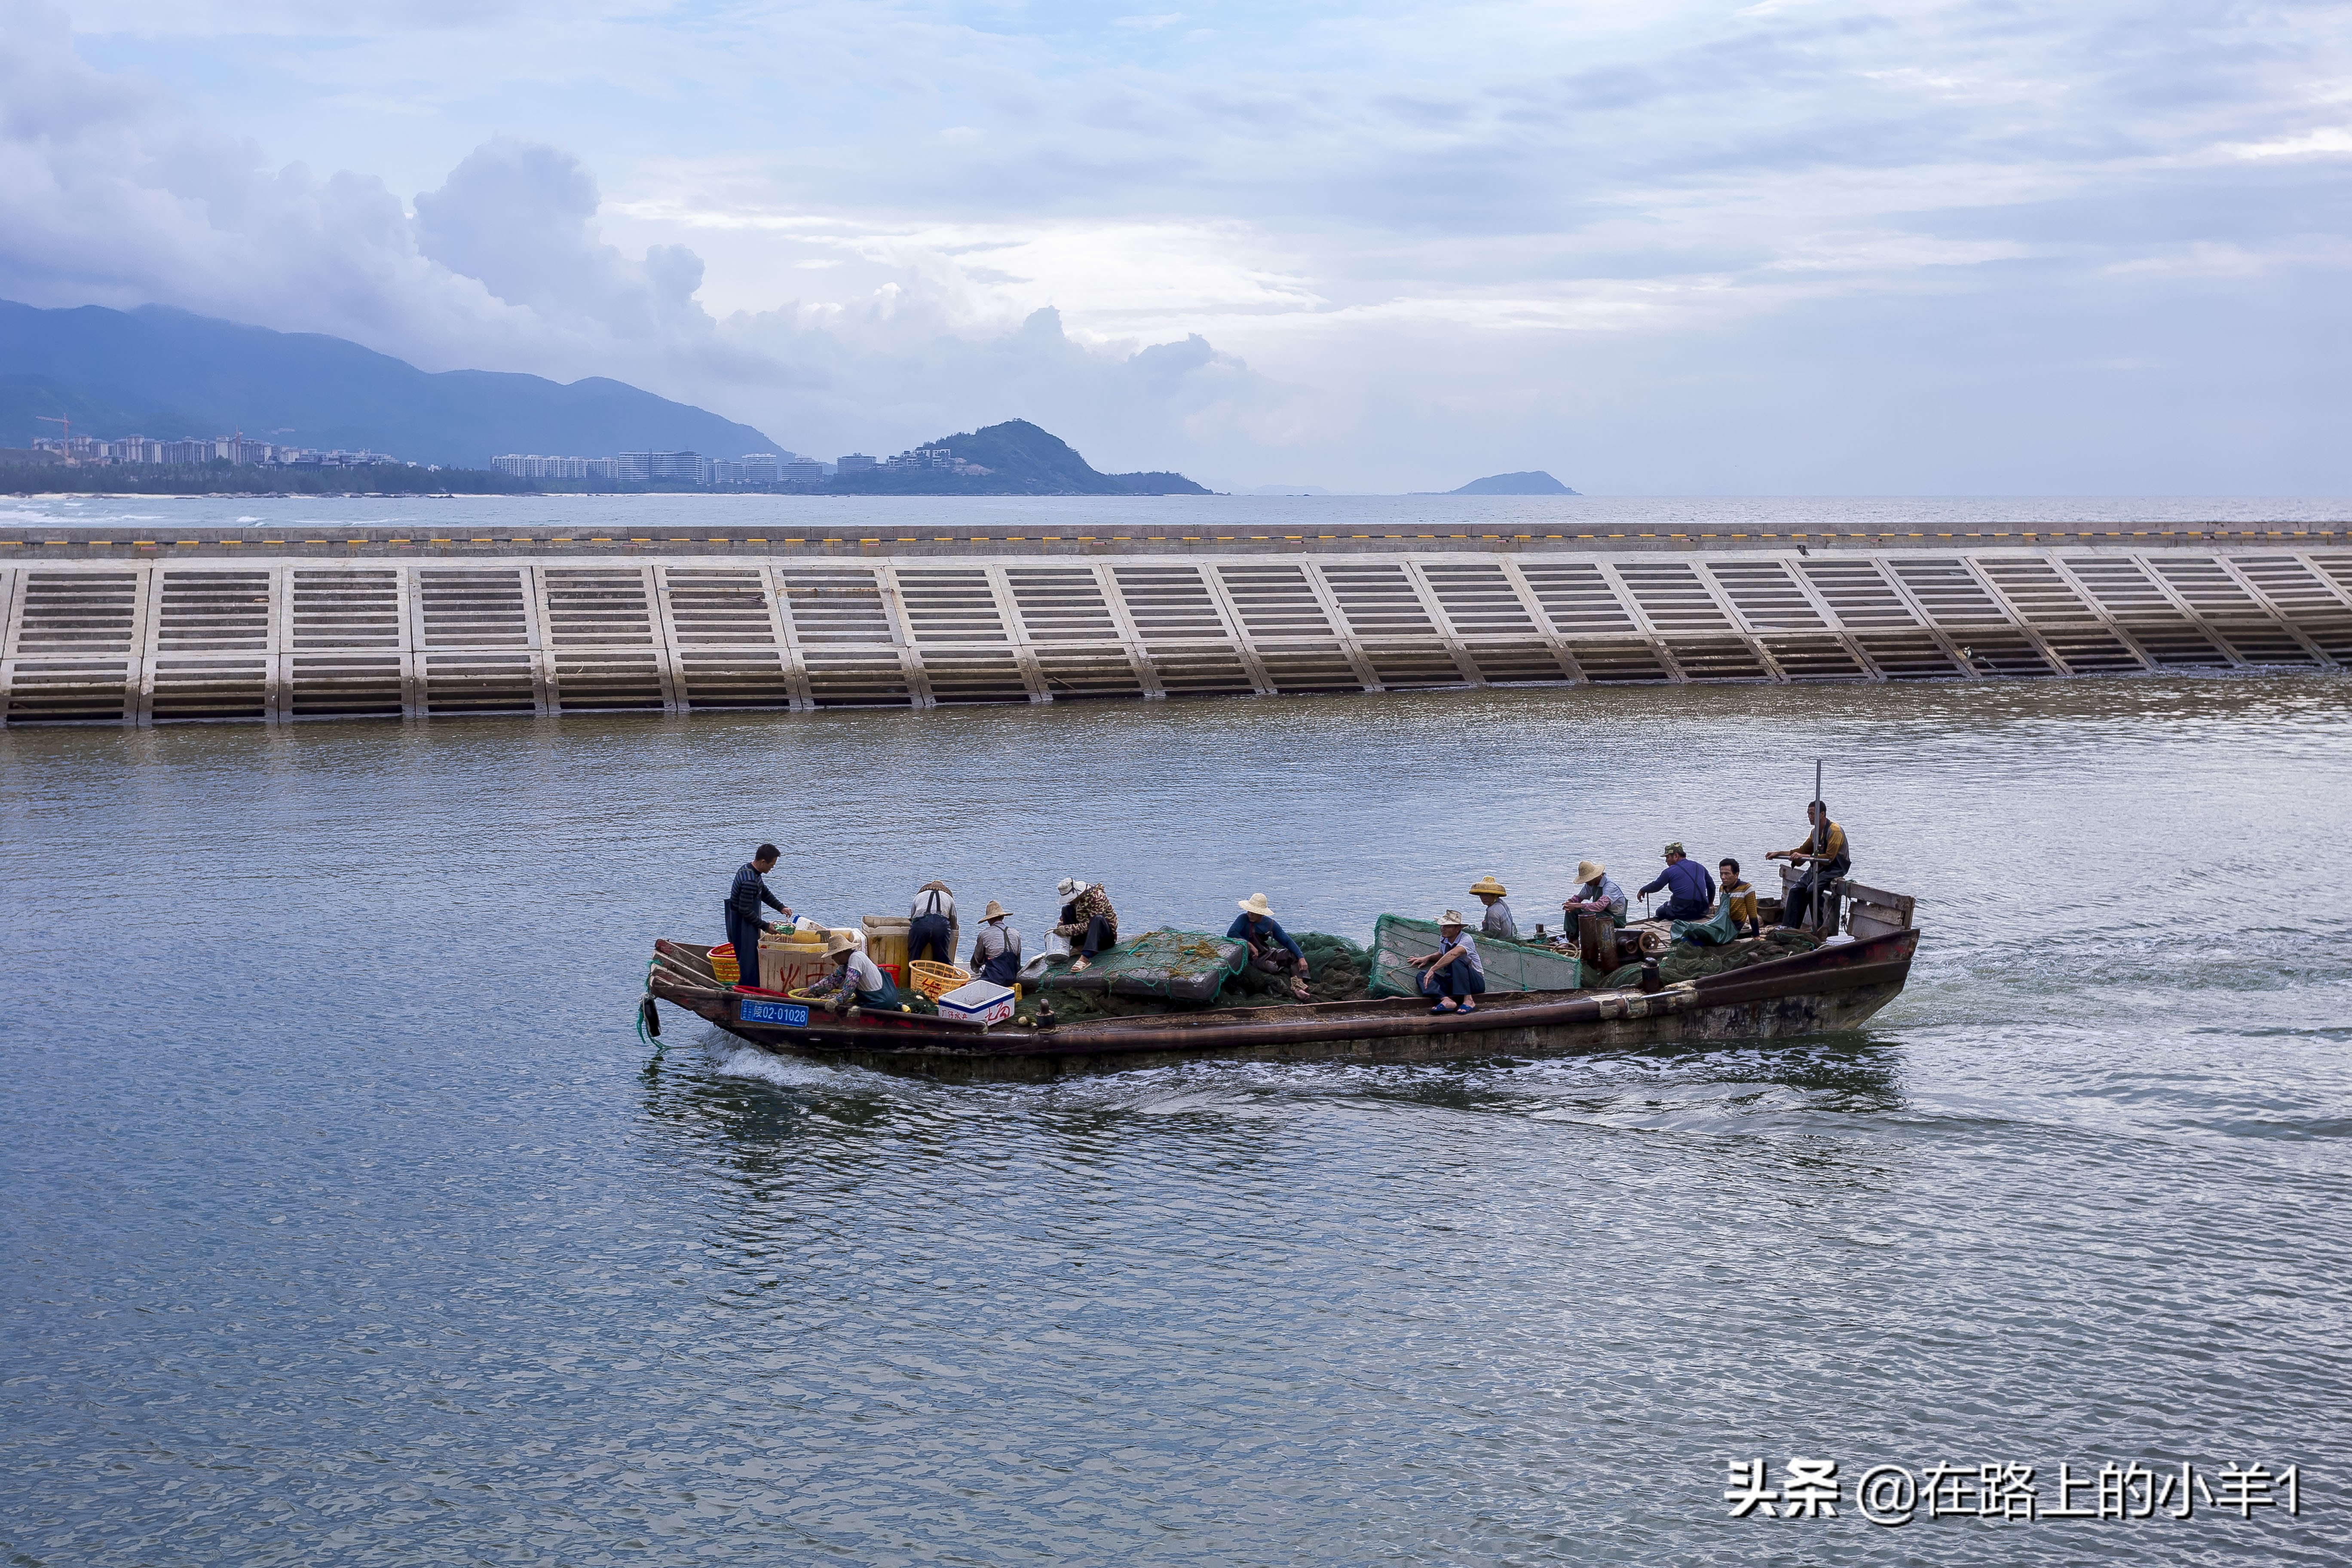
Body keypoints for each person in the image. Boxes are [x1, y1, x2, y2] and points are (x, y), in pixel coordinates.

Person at [1768, 801, 1852, 929]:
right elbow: (1802, 851)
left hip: (1834, 868)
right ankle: (1790, 928)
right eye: (1808, 814)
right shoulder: (1814, 833)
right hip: (1817, 866)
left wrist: (1807, 857)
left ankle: (1818, 927)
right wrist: (1779, 853)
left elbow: (1829, 858)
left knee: (1812, 890)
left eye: (1813, 814)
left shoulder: (1835, 831)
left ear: (1822, 814)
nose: (1810, 817)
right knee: (1796, 890)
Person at [724, 843, 793, 990]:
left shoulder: (749, 870)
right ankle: (747, 990)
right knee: (748, 961)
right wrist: (766, 926)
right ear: (763, 862)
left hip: (748, 920)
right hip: (742, 923)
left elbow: (764, 892)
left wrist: (781, 907)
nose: (772, 868)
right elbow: (745, 911)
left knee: (751, 958)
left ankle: (749, 986)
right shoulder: (749, 882)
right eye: (771, 865)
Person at [1228, 893, 1311, 1001]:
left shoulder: (1270, 924)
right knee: (1271, 967)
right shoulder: (1243, 919)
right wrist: (1249, 945)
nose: (1250, 913)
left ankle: (1298, 987)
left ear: (1261, 914)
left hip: (1267, 953)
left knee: (1293, 956)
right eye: (1249, 910)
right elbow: (1231, 933)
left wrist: (1301, 957)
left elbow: (1286, 941)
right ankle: (1283, 969)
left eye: (1253, 912)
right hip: (1252, 958)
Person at [1410, 909, 1486, 1015]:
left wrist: (1433, 969)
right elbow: (1442, 954)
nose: (1443, 929)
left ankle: (1469, 1000)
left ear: (1458, 929)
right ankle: (1446, 1000)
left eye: (1447, 926)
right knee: (1422, 975)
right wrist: (1428, 958)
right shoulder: (1444, 939)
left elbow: (1453, 954)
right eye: (1442, 926)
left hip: (1474, 983)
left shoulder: (1466, 939)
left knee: (1457, 961)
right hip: (1454, 982)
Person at [1675, 859, 1761, 948]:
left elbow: (1753, 915)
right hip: (1719, 925)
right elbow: (1723, 911)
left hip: (1730, 930)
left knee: (1693, 928)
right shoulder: (1722, 888)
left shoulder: (1747, 889)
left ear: (1736, 875)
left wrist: (1756, 936)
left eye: (1727, 874)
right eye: (1721, 874)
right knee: (1678, 924)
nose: (1723, 877)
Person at [808, 931, 899, 1013]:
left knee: (847, 1011)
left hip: (880, 1001)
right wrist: (811, 990)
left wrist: (837, 1001)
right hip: (880, 999)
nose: (832, 959)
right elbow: (833, 980)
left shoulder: (856, 958)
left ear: (841, 952)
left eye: (833, 955)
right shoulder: (845, 965)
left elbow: (851, 984)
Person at [1637, 841, 1715, 923]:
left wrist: (1643, 890)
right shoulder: (1700, 867)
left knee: (1660, 911)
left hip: (1681, 912)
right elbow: (1712, 886)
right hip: (1702, 911)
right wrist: (1710, 903)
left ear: (1676, 856)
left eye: (1667, 858)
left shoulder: (1669, 871)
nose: (1666, 861)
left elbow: (1657, 886)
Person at [1054, 877, 1119, 972]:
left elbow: (1090, 925)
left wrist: (1067, 930)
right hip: (1086, 936)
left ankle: (1085, 958)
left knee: (1097, 919)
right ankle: (1078, 946)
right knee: (1066, 909)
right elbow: (1062, 920)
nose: (1070, 901)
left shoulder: (1097, 898)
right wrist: (1059, 929)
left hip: (1103, 938)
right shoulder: (1075, 902)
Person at [969, 900, 1024, 987]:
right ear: (1003, 917)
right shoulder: (1016, 933)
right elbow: (1018, 961)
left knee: (972, 984)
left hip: (994, 979)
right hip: (1012, 979)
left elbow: (977, 960)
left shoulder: (984, 934)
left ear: (989, 920)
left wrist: (976, 969)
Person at [1561, 860, 1627, 927]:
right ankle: (1572, 936)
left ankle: (1587, 936)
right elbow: (1580, 897)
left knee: (1588, 916)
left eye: (1588, 880)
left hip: (1615, 920)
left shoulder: (1610, 887)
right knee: (1572, 911)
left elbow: (1600, 906)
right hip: (1601, 915)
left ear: (1596, 877)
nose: (1586, 883)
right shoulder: (1591, 884)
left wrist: (1578, 905)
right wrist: (1571, 902)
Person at [908, 880, 956, 966]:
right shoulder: (949, 898)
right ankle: (940, 978)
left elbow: (912, 917)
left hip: (920, 925)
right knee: (942, 959)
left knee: (914, 957)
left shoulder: (919, 896)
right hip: (941, 926)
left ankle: (913, 978)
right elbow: (953, 919)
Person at [1469, 875, 1519, 941]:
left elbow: (1494, 933)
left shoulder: (1493, 911)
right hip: (1508, 937)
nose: (1484, 898)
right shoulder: (1502, 903)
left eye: (1487, 895)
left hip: (1502, 941)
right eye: (1482, 895)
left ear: (1495, 895)